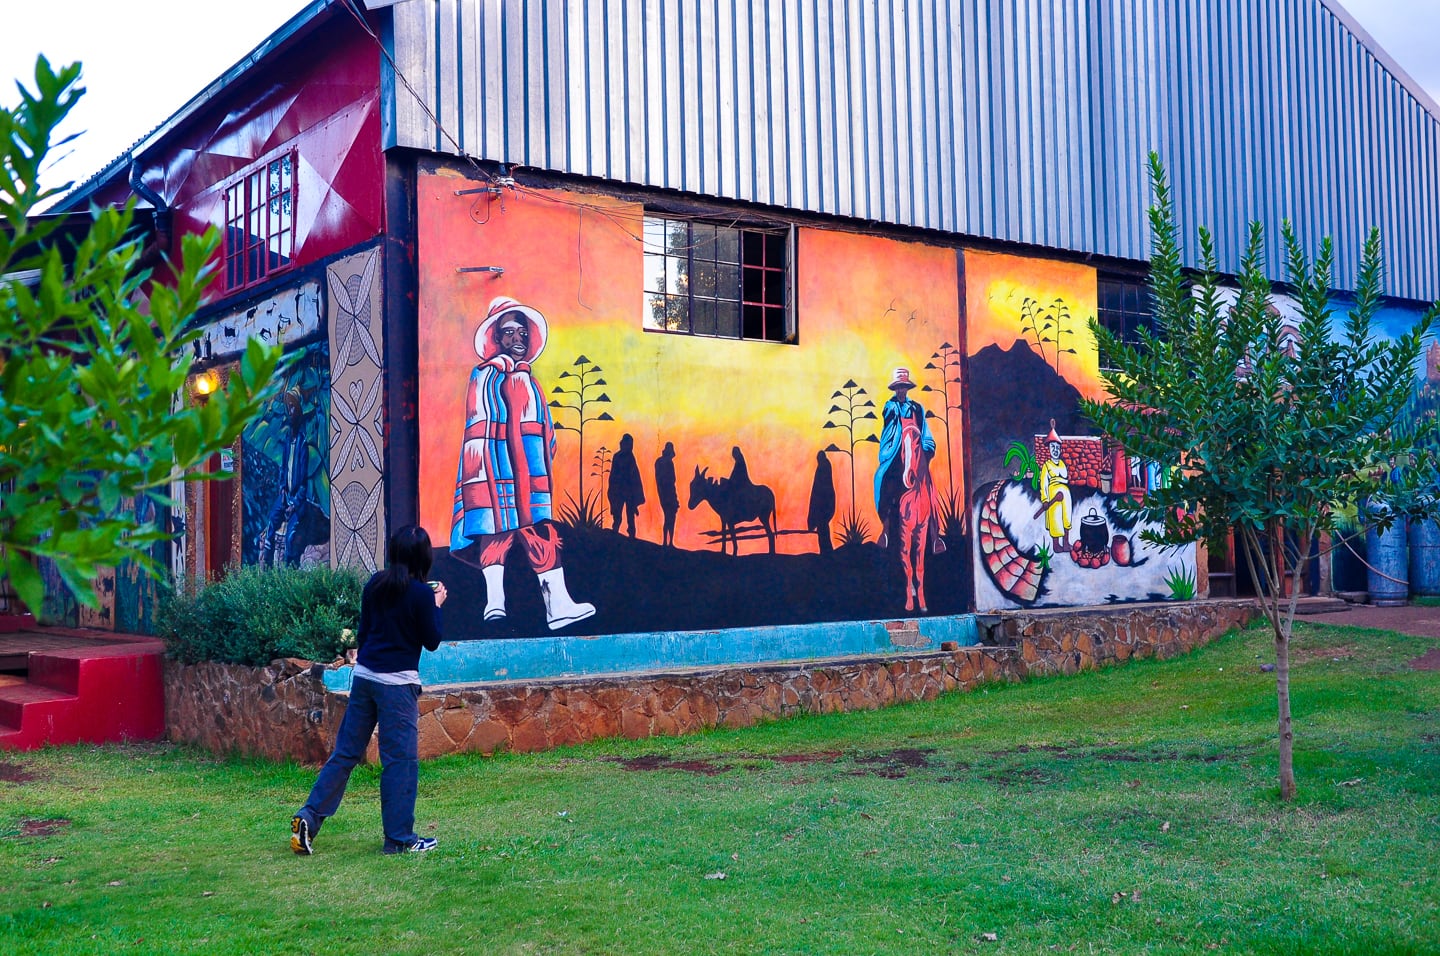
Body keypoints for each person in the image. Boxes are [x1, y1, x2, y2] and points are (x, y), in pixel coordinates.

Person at [290, 525, 447, 856]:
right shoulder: (421, 594)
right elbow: (431, 641)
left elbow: (364, 632)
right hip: (397, 685)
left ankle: (309, 816)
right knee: (399, 761)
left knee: (346, 754)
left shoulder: (375, 583)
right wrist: (436, 604)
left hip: (364, 679)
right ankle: (400, 839)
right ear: (424, 557)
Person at [450, 296, 595, 630]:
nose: (517, 340)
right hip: (494, 469)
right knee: (494, 527)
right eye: (509, 333)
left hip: (529, 474)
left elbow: (543, 429)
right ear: (497, 339)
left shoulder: (530, 380)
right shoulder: (484, 375)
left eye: (522, 333)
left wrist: (539, 460)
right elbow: (481, 421)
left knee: (537, 529)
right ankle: (495, 602)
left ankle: (556, 604)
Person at [874, 367, 940, 551]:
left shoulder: (917, 408)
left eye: (904, 387)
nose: (901, 390)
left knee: (930, 486)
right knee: (884, 480)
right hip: (896, 452)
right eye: (899, 387)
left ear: (907, 388)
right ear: (895, 389)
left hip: (916, 450)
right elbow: (890, 428)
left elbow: (924, 429)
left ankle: (935, 536)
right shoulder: (890, 406)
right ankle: (886, 530)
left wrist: (926, 449)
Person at [1035, 419, 1072, 550]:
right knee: (1056, 519)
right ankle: (1056, 545)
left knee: (1066, 518)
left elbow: (1066, 479)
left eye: (1057, 447)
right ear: (1049, 449)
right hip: (1053, 495)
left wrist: (1062, 483)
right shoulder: (1047, 465)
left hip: (1065, 494)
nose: (1055, 450)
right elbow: (1044, 483)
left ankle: (1066, 542)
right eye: (1053, 448)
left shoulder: (1062, 464)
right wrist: (1045, 499)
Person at [608, 433, 645, 537]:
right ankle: (615, 532)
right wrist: (612, 491)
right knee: (617, 514)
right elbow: (613, 475)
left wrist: (636, 498)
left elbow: (635, 477)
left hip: (629, 491)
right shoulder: (617, 457)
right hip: (619, 490)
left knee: (630, 516)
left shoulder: (630, 458)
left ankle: (631, 535)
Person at [807, 449, 836, 553]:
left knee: (823, 529)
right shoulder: (824, 467)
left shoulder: (823, 468)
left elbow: (818, 491)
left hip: (823, 507)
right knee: (823, 529)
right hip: (825, 506)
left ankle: (826, 552)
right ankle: (826, 551)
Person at [654, 441, 679, 547]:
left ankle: (666, 541)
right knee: (671, 517)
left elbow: (659, 479)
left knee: (667, 517)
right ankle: (669, 542)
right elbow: (673, 479)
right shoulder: (667, 462)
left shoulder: (658, 461)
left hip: (663, 493)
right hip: (668, 493)